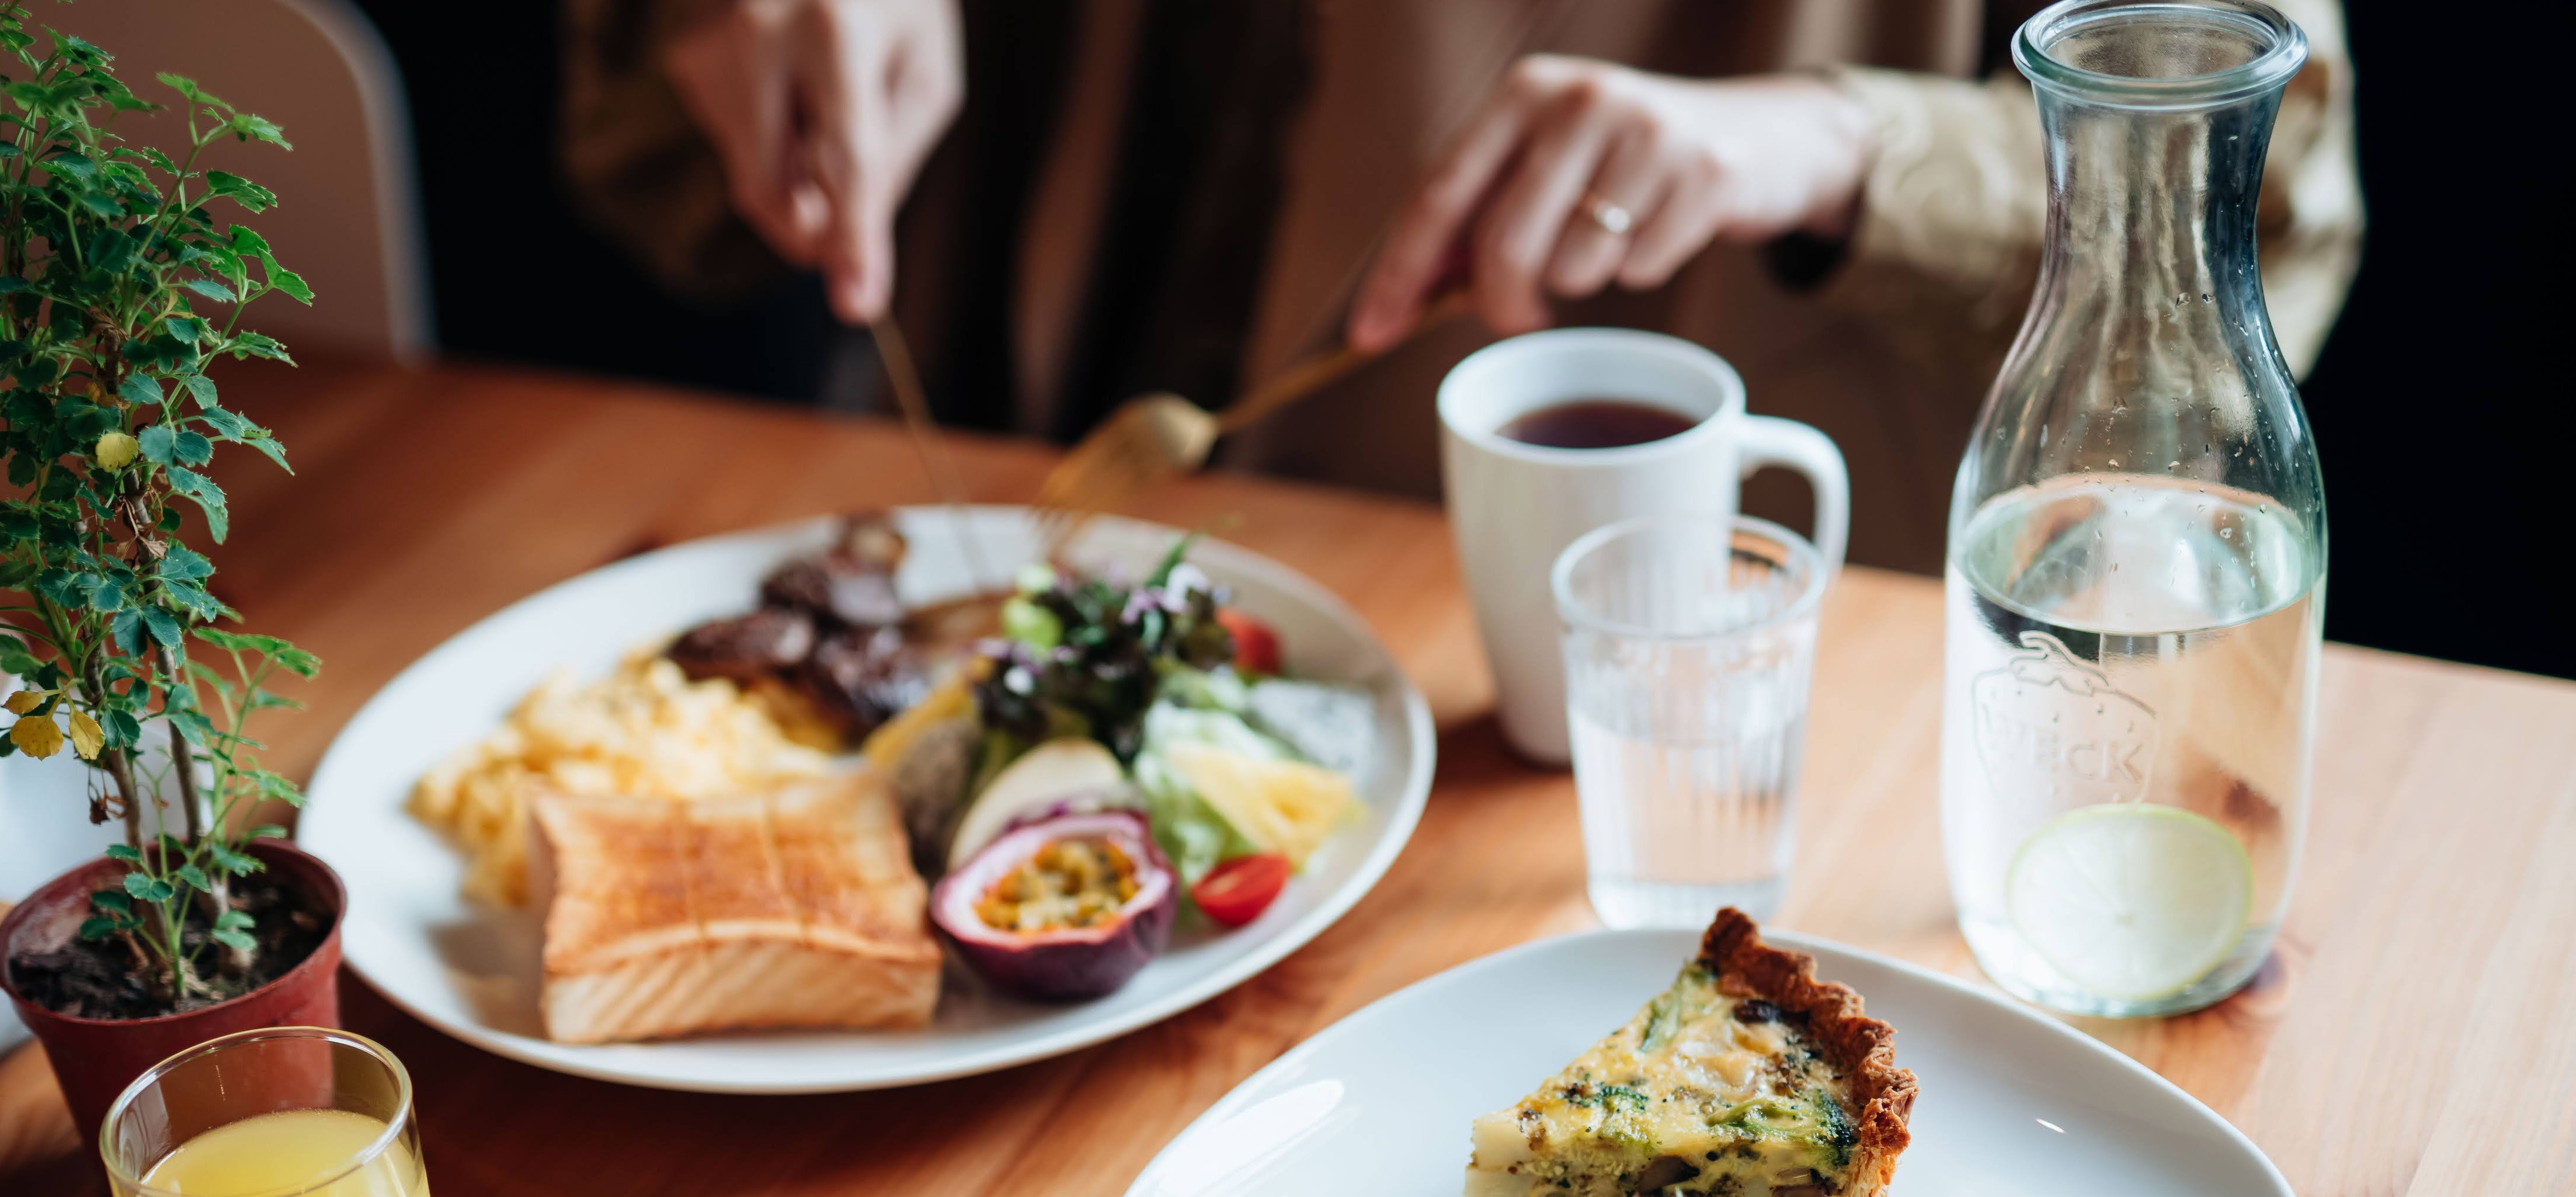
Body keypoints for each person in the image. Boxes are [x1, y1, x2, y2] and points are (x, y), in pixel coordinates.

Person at [561, 0, 2358, 571]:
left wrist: (1826, 143)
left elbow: (2257, 182)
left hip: (1554, 665)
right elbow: (652, 144)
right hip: (948, 523)